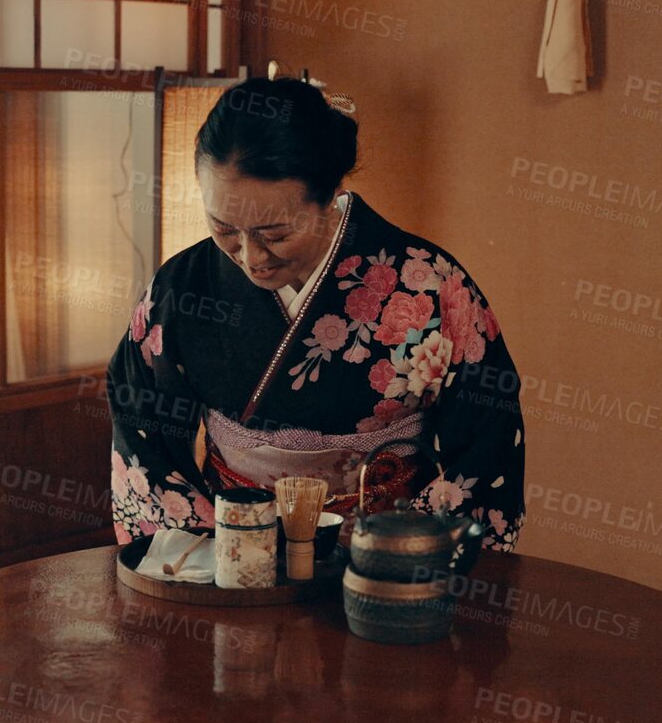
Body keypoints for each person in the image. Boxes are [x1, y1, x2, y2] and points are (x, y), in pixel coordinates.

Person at [108, 74, 526, 549]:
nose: (251, 257)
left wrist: (407, 551)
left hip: (385, 554)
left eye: (276, 234)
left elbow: (488, 440)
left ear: (327, 196)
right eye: (224, 229)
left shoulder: (429, 286)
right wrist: (205, 547)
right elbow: (141, 425)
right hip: (235, 551)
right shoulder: (180, 288)